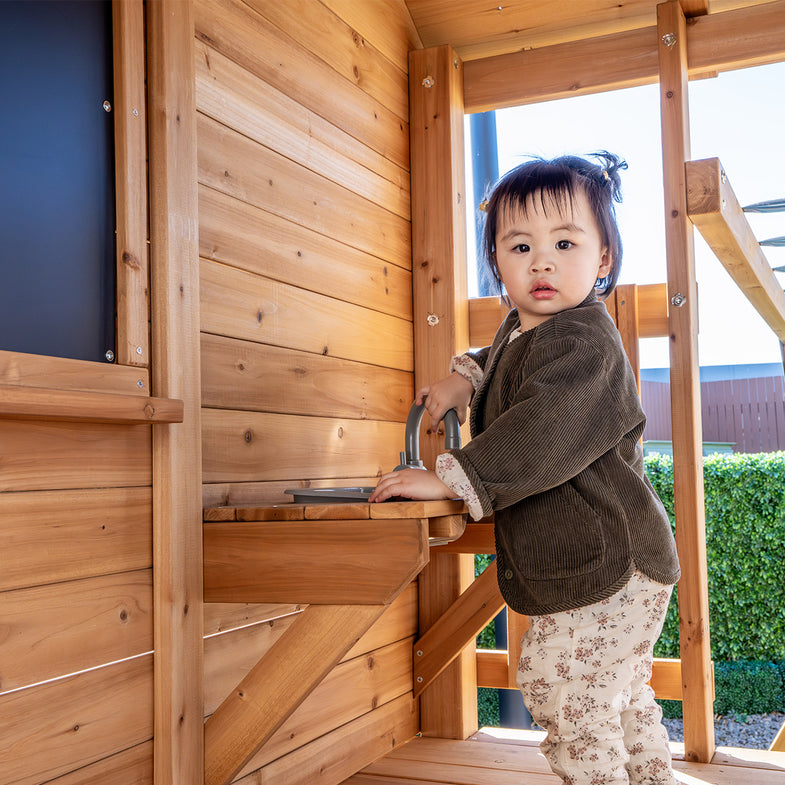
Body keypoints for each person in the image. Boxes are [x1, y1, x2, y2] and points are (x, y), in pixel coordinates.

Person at [369, 152, 681, 784]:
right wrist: (464, 380)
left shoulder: (585, 342)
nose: (541, 261)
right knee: (613, 692)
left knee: (569, 691)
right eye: (519, 246)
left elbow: (542, 427)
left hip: (612, 561)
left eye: (564, 242)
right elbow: (504, 361)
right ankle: (649, 777)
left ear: (603, 260)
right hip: (604, 563)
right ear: (498, 264)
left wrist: (453, 476)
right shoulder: (529, 331)